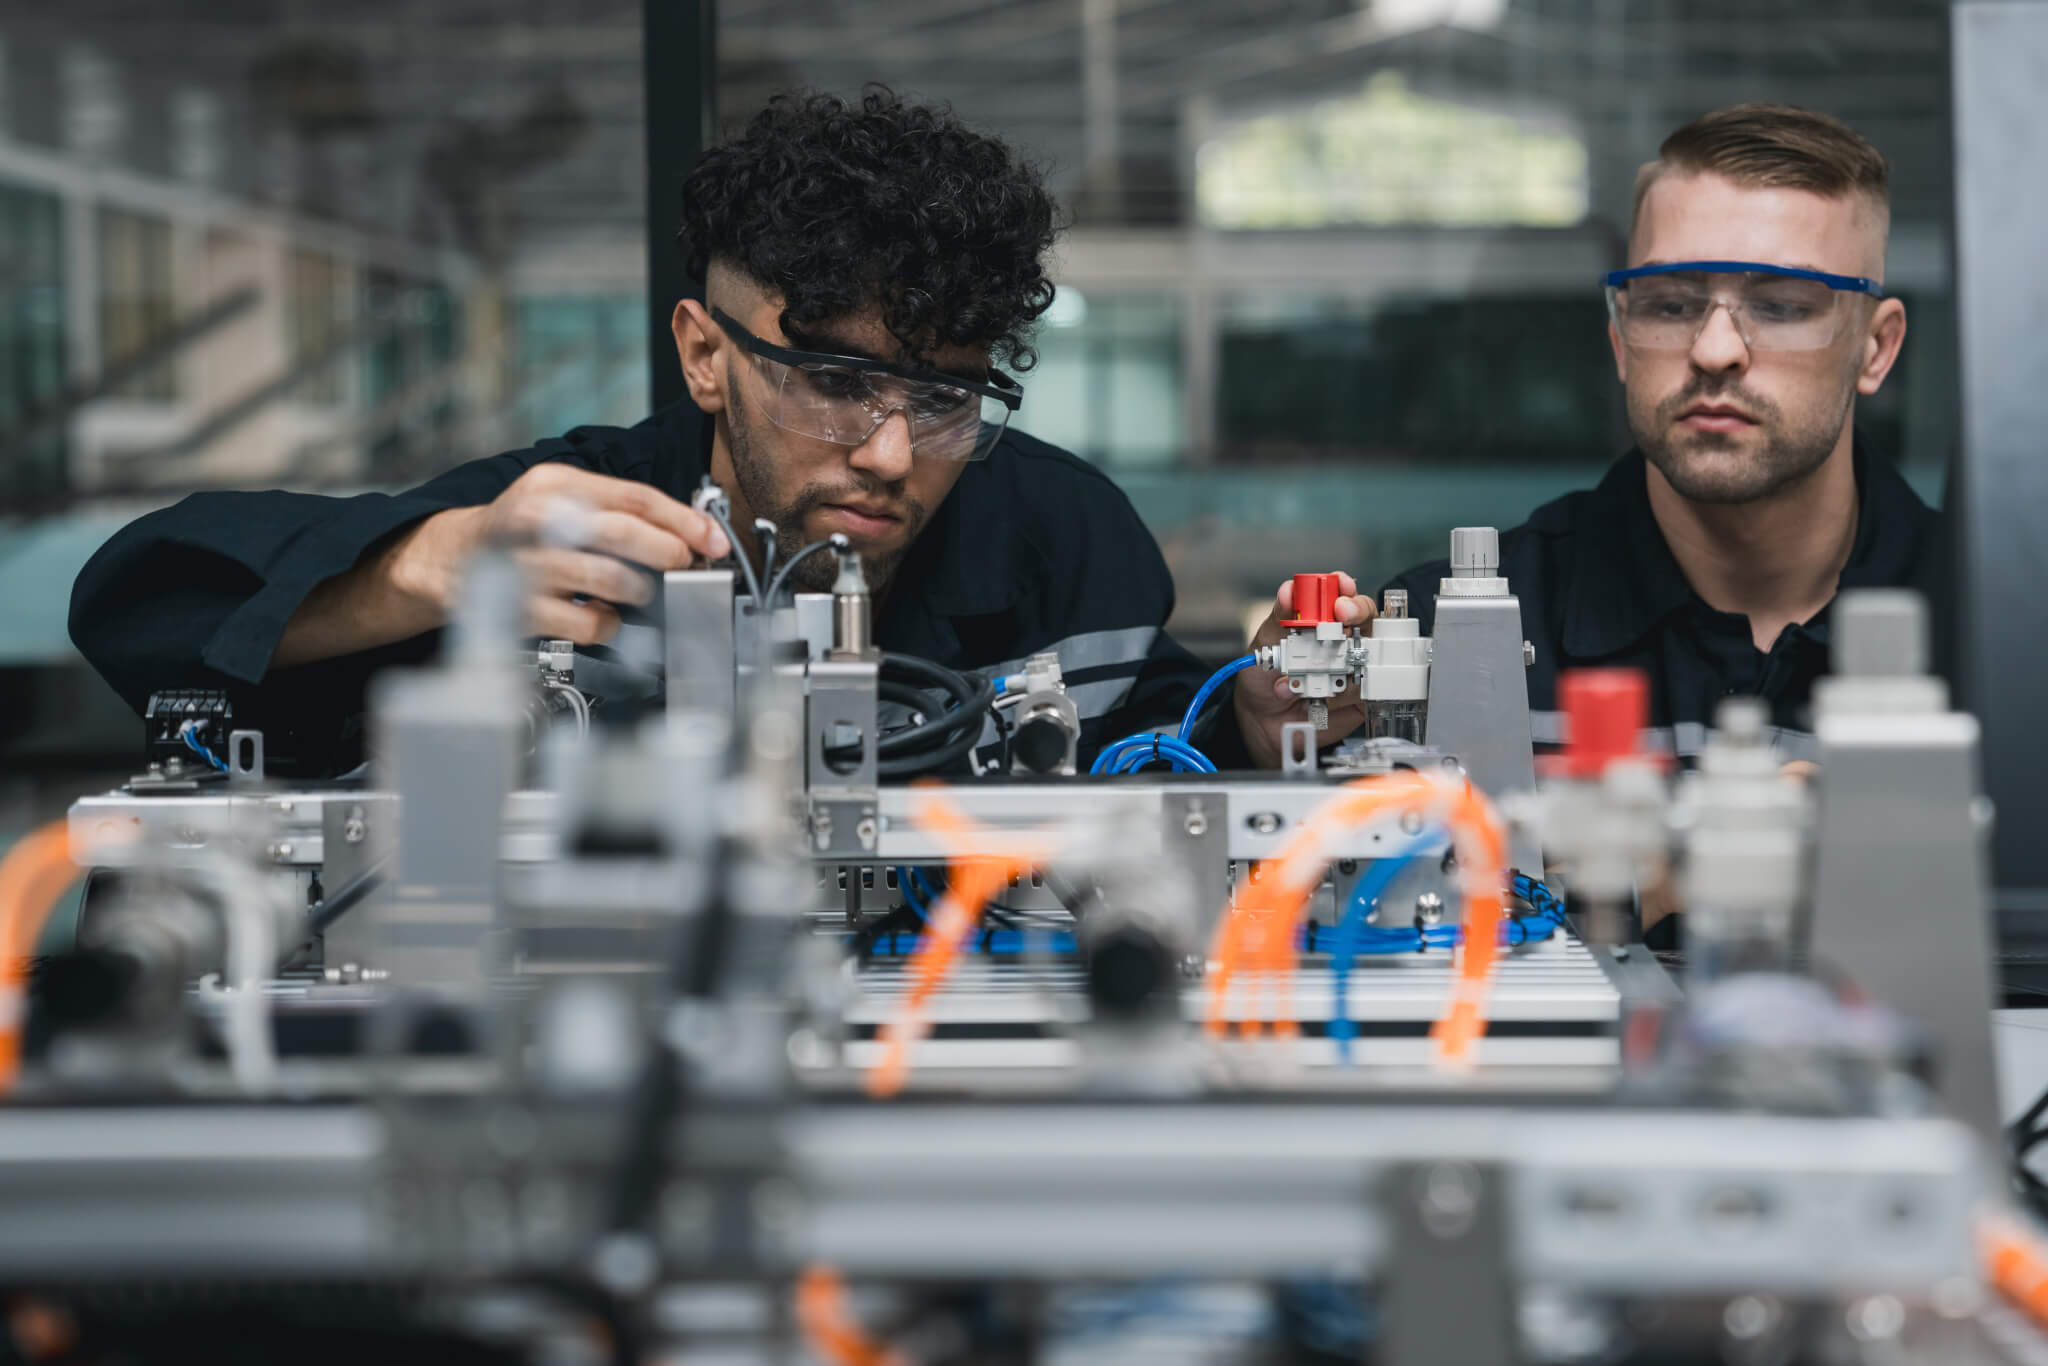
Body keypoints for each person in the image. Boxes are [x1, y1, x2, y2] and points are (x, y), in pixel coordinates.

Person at [70, 89, 1238, 775]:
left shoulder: (1055, 532)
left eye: (941, 399)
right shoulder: (558, 522)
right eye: (833, 380)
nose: (888, 453)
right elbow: (139, 612)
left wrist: (1259, 712)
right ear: (702, 354)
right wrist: (425, 566)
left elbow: (1164, 749)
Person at [1226, 102, 1932, 769]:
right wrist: (1260, 741)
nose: (1716, 349)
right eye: (1672, 303)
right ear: (1621, 338)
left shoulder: (1992, 623)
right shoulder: (1454, 640)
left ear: (1876, 347)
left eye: (1780, 305)